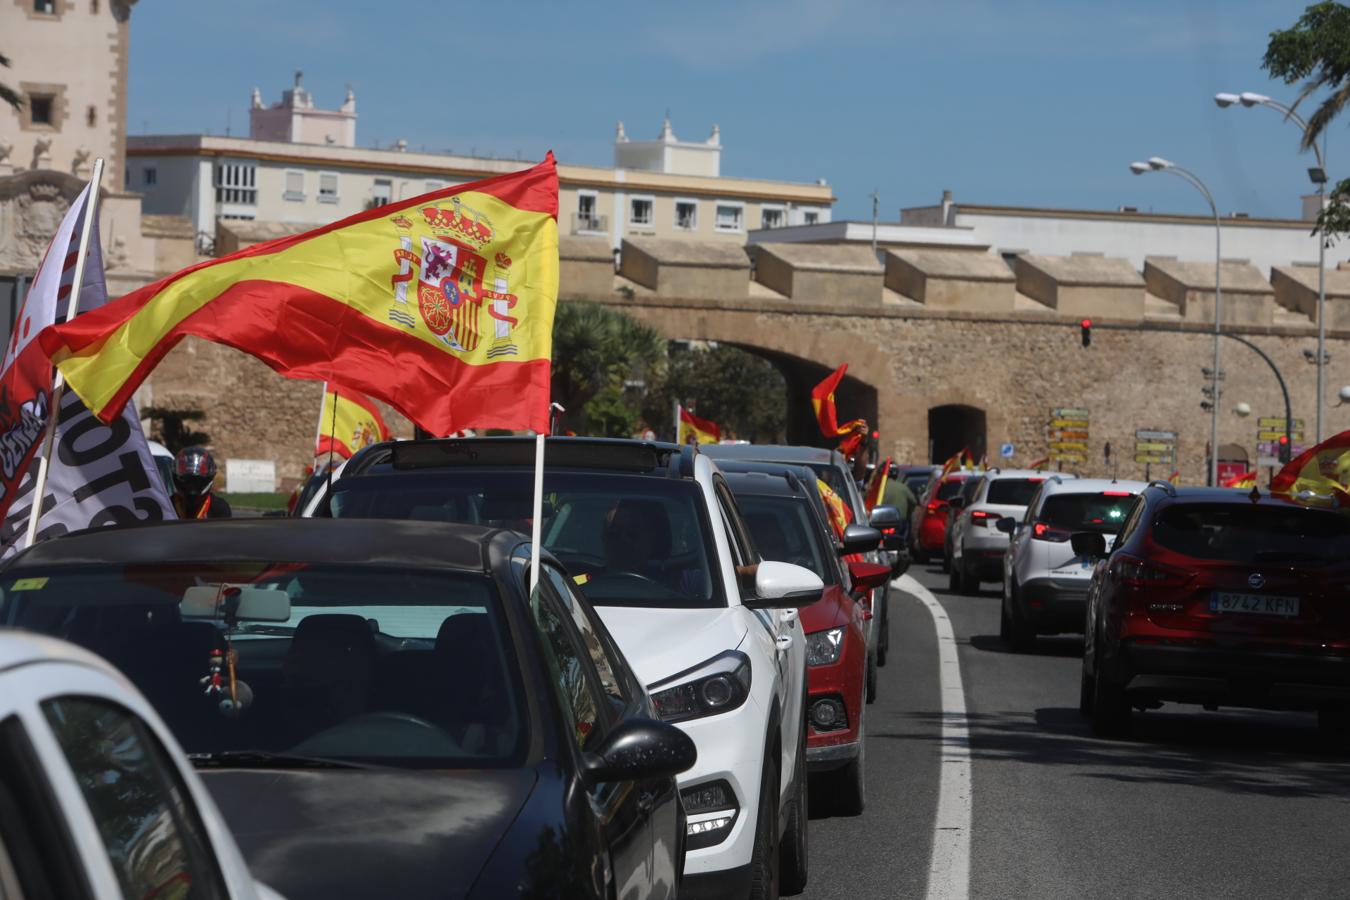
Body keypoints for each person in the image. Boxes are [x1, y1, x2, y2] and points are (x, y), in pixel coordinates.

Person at [171, 446, 232, 519]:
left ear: (209, 478)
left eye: (198, 480)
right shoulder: (168, 506)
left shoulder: (219, 508)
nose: (192, 486)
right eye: (187, 480)